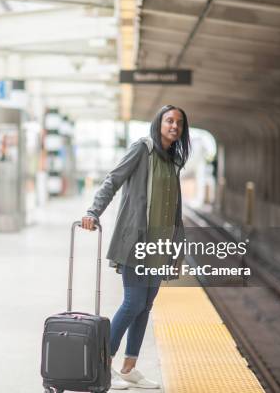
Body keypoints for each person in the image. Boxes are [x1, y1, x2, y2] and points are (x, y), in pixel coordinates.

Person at [81, 105, 189, 390]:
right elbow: (112, 180)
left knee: (145, 307)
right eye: (169, 120)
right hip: (137, 243)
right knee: (132, 303)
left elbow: (174, 208)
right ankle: (102, 365)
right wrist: (93, 212)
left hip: (161, 246)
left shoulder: (173, 160)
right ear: (159, 123)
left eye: (179, 122)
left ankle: (129, 368)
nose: (174, 126)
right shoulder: (142, 150)